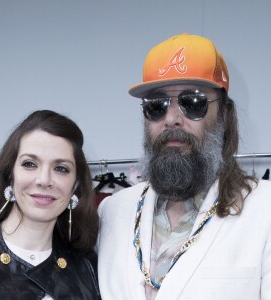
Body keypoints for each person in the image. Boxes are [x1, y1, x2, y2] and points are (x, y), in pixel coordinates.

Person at [97, 33, 271, 299]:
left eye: (193, 103)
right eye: (157, 105)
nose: (171, 119)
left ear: (223, 115)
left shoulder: (264, 209)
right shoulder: (112, 212)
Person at [0, 110, 101, 299]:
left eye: (61, 168)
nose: (44, 180)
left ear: (75, 185)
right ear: (10, 174)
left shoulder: (88, 267)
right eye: (30, 164)